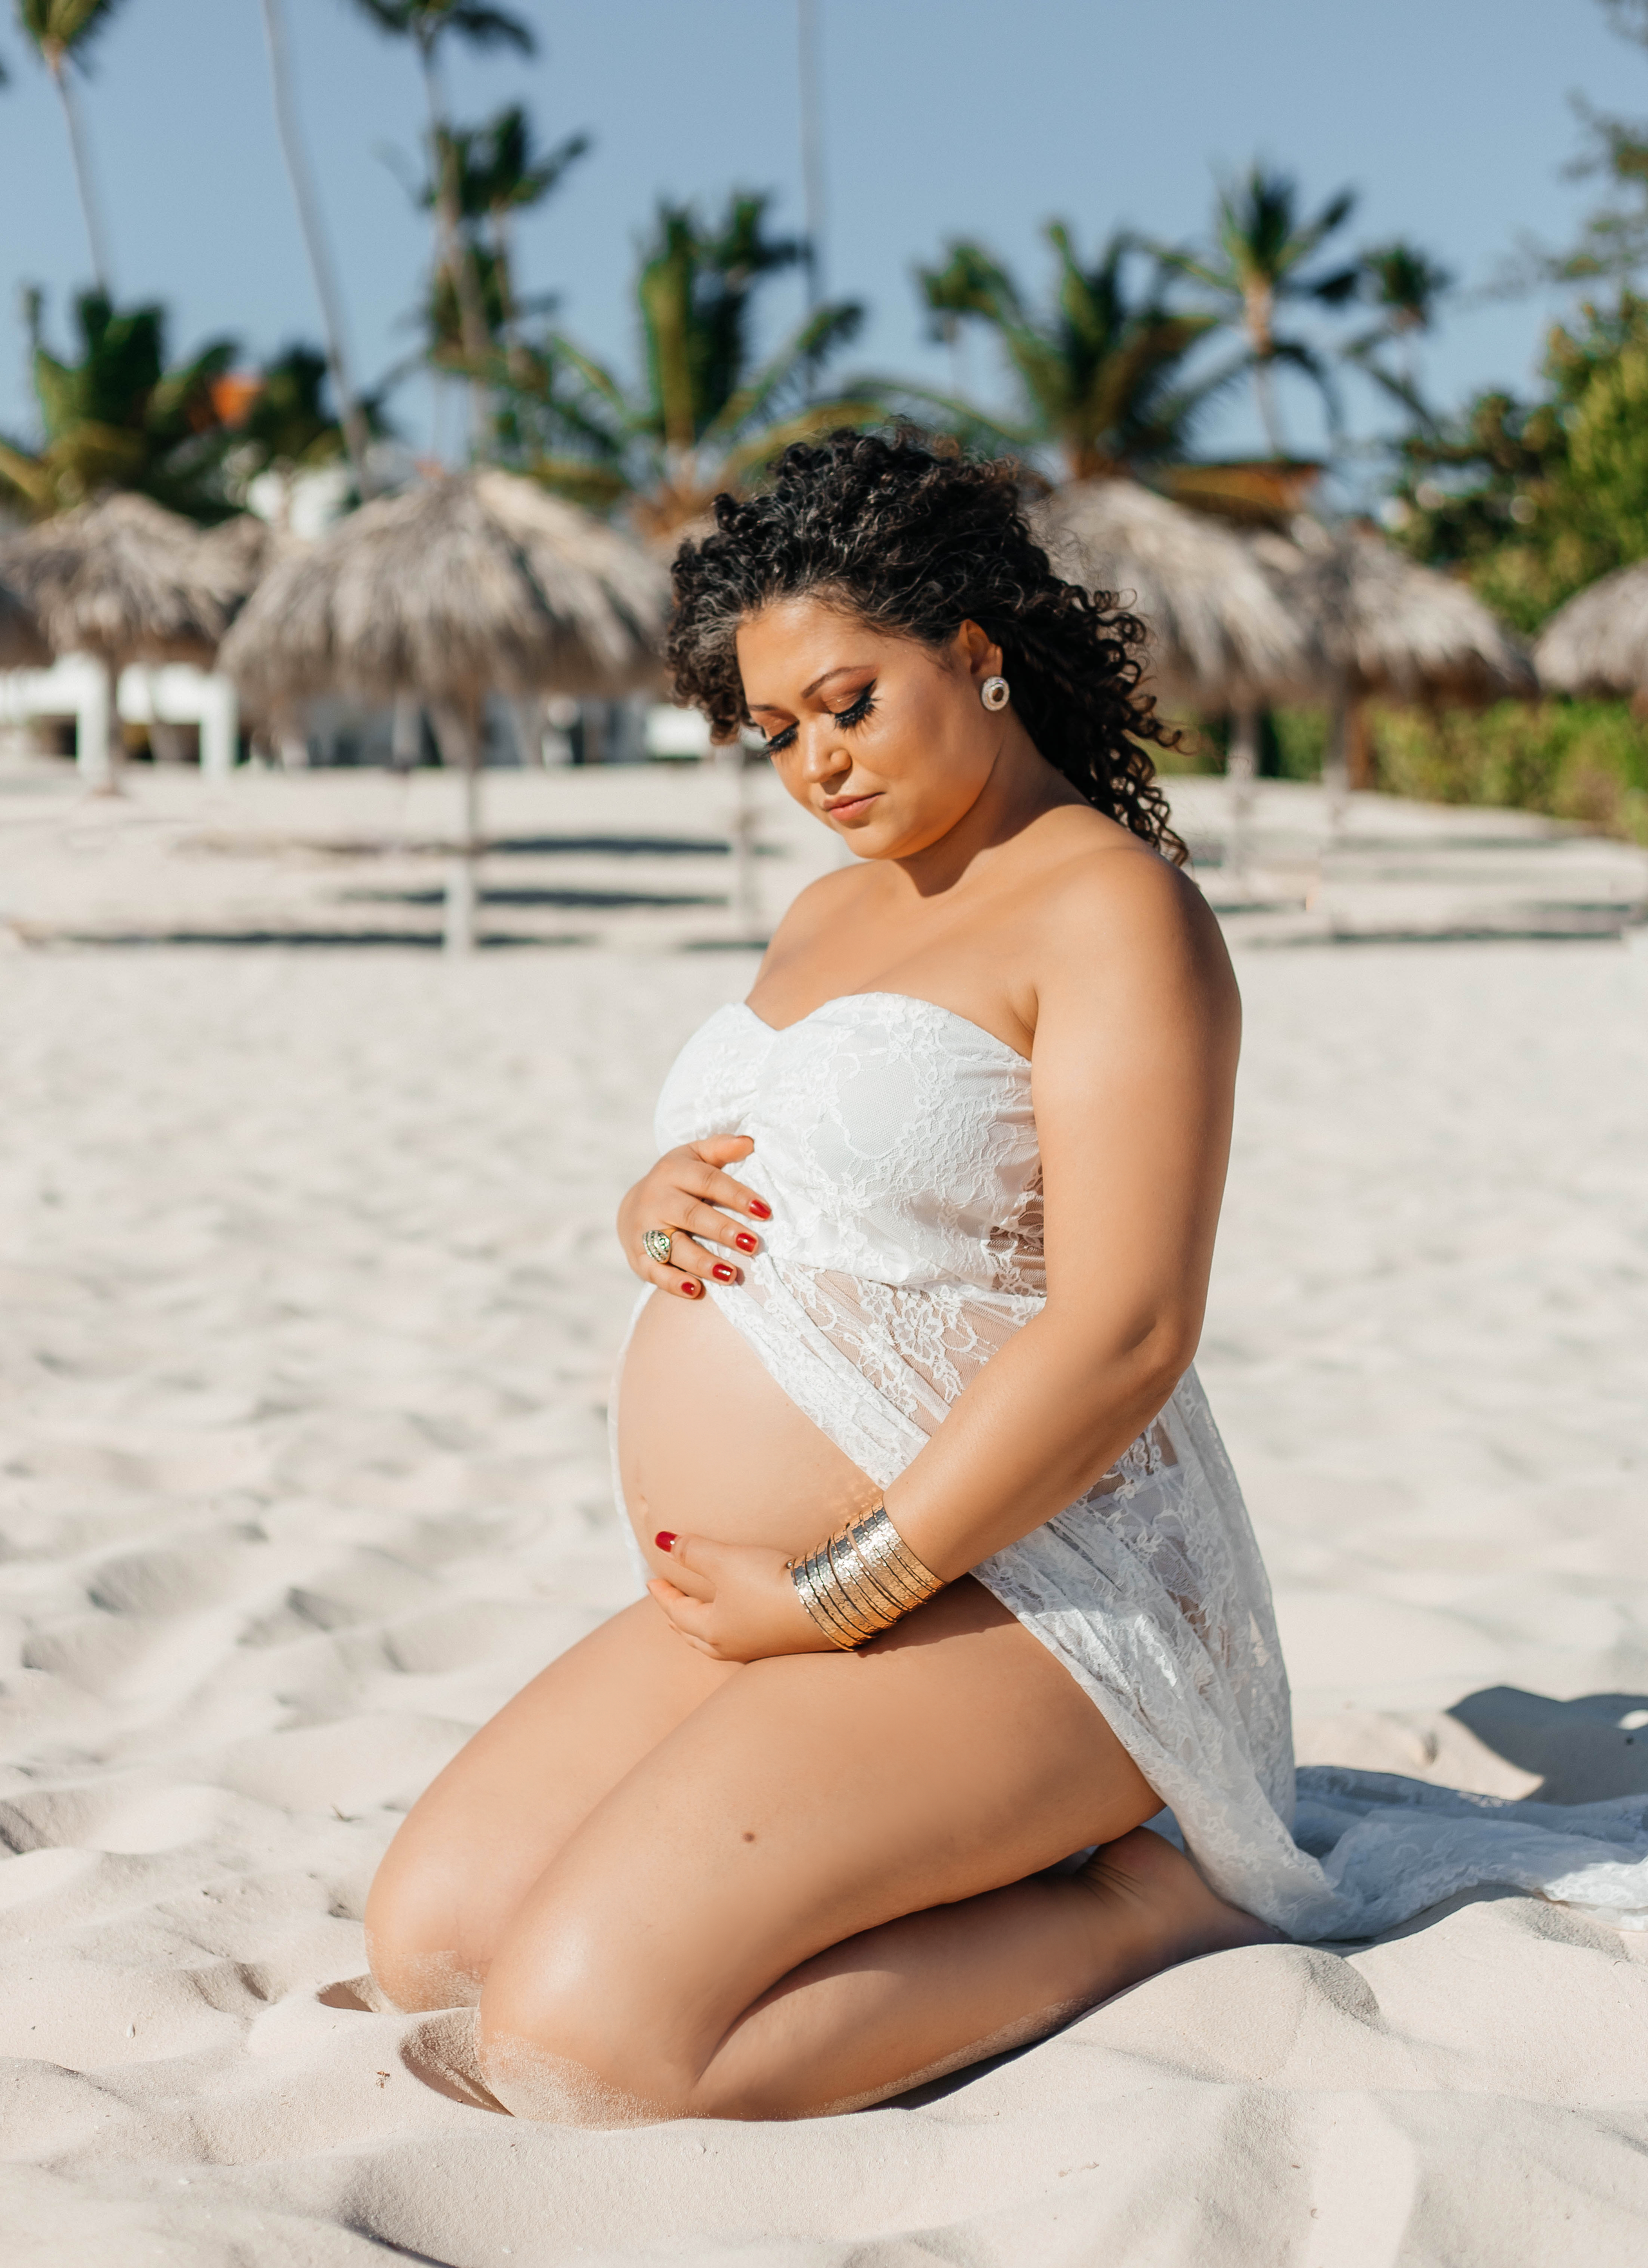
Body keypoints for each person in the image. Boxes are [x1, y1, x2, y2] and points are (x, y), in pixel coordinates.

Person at [362, 432, 1647, 2124]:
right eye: (777, 731)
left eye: (849, 704)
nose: (817, 763)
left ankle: (1140, 1906)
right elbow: (815, 1184)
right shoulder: (824, 914)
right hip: (770, 1600)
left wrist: (836, 1592)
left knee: (598, 2046)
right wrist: (651, 1212)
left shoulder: (1112, 911)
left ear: (974, 652)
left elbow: (1128, 1332)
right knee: (432, 1944)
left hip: (1034, 1595)